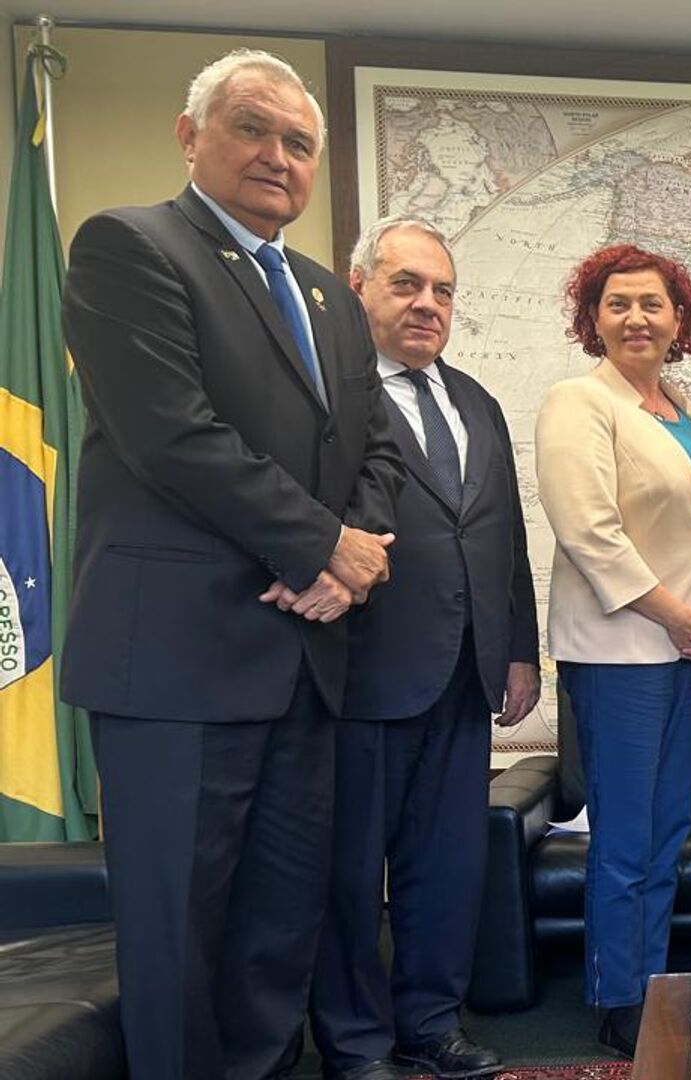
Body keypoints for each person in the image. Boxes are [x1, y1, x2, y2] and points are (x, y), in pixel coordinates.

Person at [59, 49, 404, 1080]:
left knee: (275, 934)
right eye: (252, 128)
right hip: (179, 665)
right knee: (178, 940)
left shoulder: (327, 296)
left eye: (298, 142)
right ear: (190, 135)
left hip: (306, 661)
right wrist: (321, 544)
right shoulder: (130, 247)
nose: (277, 156)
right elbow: (174, 436)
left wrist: (348, 564)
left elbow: (377, 449)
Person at [306, 217, 539, 1080]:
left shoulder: (475, 401)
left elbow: (505, 535)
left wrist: (519, 649)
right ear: (358, 287)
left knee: (446, 866)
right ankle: (355, 1042)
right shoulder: (325, 397)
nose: (426, 304)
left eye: (441, 290)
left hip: (464, 675)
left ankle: (431, 1025)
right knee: (349, 874)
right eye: (406, 284)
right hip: (361, 673)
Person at [535, 245, 691, 1056]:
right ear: (593, 319)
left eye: (652, 303)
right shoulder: (579, 402)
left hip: (684, 650)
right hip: (620, 651)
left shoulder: (683, 410)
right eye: (617, 303)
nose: (636, 318)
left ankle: (652, 985)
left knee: (666, 831)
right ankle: (619, 1000)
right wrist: (672, 614)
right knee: (624, 839)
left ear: (679, 318)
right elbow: (588, 530)